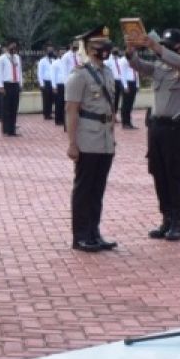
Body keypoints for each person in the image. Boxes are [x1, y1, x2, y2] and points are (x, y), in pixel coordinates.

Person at [126, 28, 180, 242]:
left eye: (169, 47)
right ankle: (166, 218)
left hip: (175, 128)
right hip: (156, 127)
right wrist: (131, 51)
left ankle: (178, 221)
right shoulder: (160, 67)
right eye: (163, 46)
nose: (164, 50)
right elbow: (138, 66)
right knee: (158, 173)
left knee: (174, 174)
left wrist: (156, 47)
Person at [65, 26, 118, 252]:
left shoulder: (107, 72)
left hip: (105, 138)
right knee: (84, 189)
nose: (104, 48)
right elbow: (71, 110)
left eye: (105, 43)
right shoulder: (80, 74)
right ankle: (81, 236)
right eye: (99, 44)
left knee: (98, 190)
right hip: (87, 138)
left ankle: (94, 233)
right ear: (88, 48)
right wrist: (72, 143)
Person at [0, 40, 23, 136]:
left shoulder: (17, 58)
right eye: (12, 47)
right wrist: (0, 86)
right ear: (7, 47)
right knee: (6, 108)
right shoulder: (1, 59)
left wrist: (20, 84)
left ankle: (12, 129)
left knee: (14, 108)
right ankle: (6, 129)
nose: (14, 49)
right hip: (6, 85)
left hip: (15, 84)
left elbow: (19, 71)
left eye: (15, 47)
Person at [37, 44, 57, 121]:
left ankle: (50, 112)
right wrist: (41, 84)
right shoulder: (42, 61)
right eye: (49, 50)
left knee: (53, 98)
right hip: (46, 82)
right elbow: (40, 73)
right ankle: (46, 114)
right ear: (46, 51)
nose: (50, 51)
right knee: (46, 99)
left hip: (53, 82)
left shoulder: (54, 60)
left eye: (51, 50)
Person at [120, 52, 139, 129]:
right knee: (126, 104)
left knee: (130, 104)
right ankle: (125, 122)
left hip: (133, 82)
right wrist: (125, 86)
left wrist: (137, 84)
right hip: (127, 82)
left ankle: (129, 122)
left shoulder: (134, 60)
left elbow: (137, 72)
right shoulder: (123, 60)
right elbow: (122, 74)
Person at [52, 46, 69, 126]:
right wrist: (54, 86)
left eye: (64, 52)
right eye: (61, 52)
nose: (63, 54)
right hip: (59, 85)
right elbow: (53, 75)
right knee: (59, 103)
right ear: (58, 53)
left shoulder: (67, 62)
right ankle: (58, 120)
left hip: (67, 85)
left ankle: (64, 119)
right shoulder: (55, 63)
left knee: (66, 103)